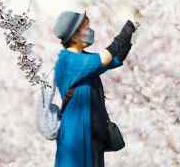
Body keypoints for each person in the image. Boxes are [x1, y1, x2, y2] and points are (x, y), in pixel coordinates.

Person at [52, 11, 138, 167]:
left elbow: (115, 58)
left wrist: (132, 31)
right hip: (77, 142)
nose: (89, 31)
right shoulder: (67, 61)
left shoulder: (83, 59)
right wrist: (127, 27)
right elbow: (105, 57)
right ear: (74, 35)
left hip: (93, 140)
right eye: (85, 28)